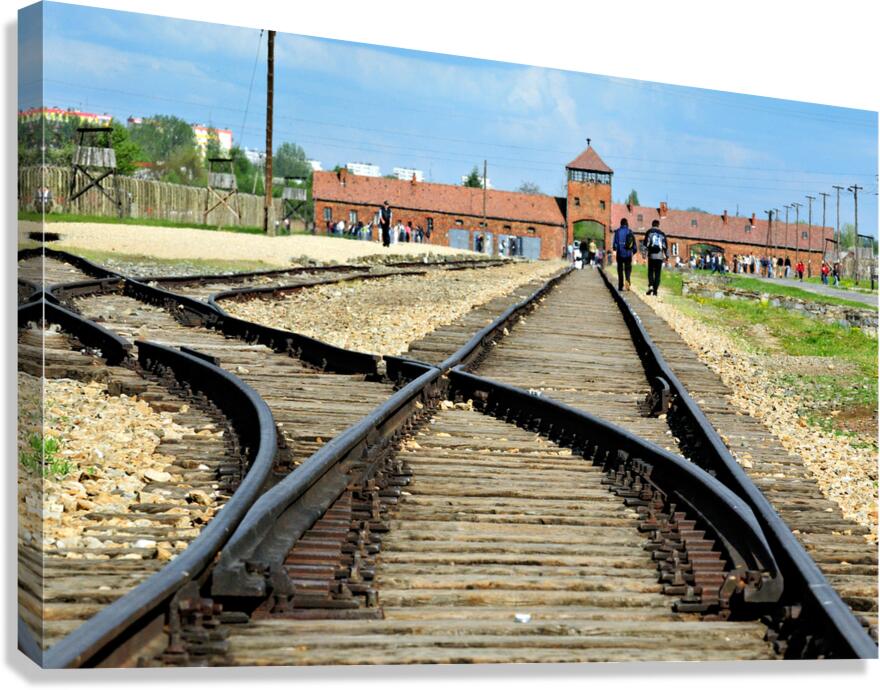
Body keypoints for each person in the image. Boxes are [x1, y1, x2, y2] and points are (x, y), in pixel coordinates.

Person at [642, 220, 668, 295]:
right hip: (659, 257)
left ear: (652, 224)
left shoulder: (649, 232)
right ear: (658, 225)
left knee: (650, 272)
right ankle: (655, 290)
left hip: (651, 256)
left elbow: (645, 244)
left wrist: (644, 254)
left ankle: (650, 286)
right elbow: (665, 246)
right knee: (657, 273)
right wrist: (667, 256)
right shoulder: (662, 234)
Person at [612, 218, 637, 290]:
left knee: (620, 269)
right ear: (627, 223)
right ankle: (627, 280)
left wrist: (614, 249)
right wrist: (634, 251)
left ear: (621, 223)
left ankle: (620, 285)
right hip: (628, 254)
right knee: (628, 269)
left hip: (620, 253)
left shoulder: (617, 231)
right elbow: (634, 243)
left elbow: (615, 244)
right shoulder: (630, 231)